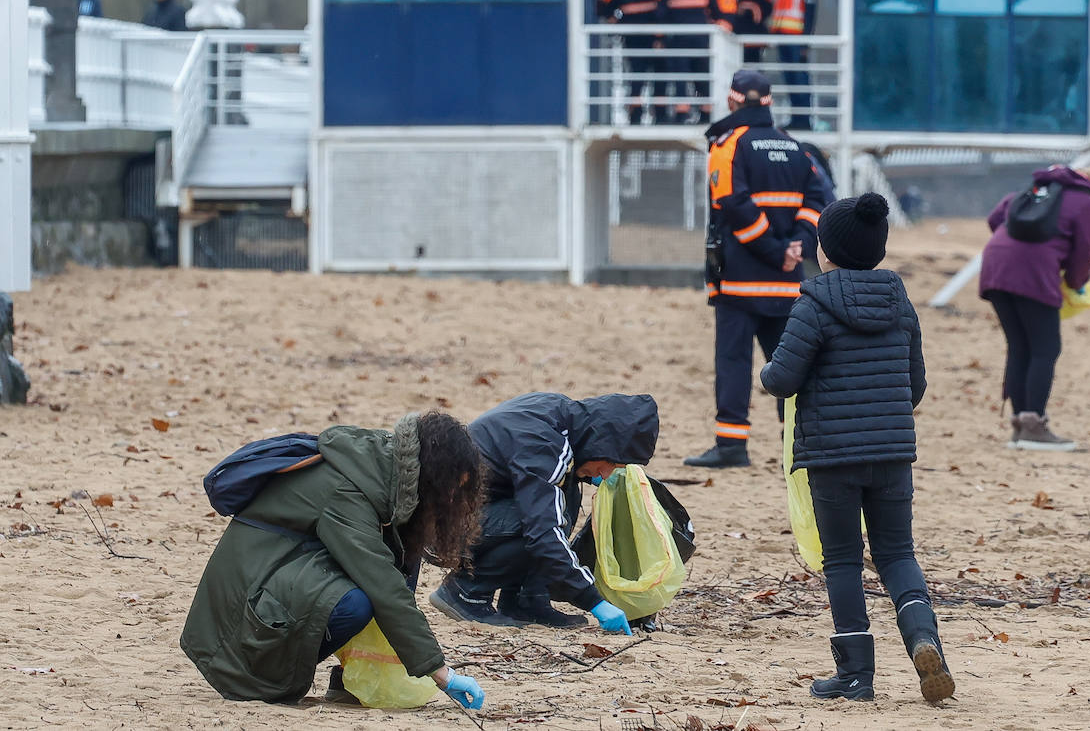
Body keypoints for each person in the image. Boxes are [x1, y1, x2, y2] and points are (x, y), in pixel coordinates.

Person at [758, 192, 952, 704]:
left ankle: (855, 676)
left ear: (825, 250)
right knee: (897, 554)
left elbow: (781, 380)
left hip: (830, 456)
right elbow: (915, 388)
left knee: (842, 560)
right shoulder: (898, 299)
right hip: (891, 454)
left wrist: (763, 372)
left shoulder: (813, 303)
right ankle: (924, 640)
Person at [181, 412, 488, 708]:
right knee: (356, 604)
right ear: (432, 473)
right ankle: (270, 672)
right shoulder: (349, 490)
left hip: (283, 570)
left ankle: (345, 680)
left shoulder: (386, 464)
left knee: (403, 553)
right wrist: (442, 675)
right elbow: (382, 585)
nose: (451, 500)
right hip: (242, 609)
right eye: (450, 489)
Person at [684, 70, 828, 469]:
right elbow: (817, 201)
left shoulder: (727, 144)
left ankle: (732, 445)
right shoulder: (795, 147)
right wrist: (796, 245)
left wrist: (772, 250)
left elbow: (732, 203)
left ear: (732, 101)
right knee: (791, 365)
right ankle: (800, 444)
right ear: (768, 103)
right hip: (786, 284)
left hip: (741, 279)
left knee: (733, 361)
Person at [430, 392, 659, 633]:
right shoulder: (543, 442)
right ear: (602, 443)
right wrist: (595, 601)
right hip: (441, 530)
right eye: (610, 465)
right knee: (541, 521)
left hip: (475, 510)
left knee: (563, 497)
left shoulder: (561, 418)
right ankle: (467, 592)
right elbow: (543, 531)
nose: (606, 475)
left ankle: (526, 600)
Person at [979, 164, 1090, 451]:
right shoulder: (1088, 201)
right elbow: (1082, 255)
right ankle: (1034, 427)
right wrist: (1076, 284)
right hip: (1033, 273)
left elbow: (996, 217)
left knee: (1020, 346)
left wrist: (1014, 245)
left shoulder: (1041, 186)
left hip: (995, 265)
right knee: (1045, 348)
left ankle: (1019, 425)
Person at [659, 0, 728, 124]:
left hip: (679, 41)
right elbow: (717, 12)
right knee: (703, 78)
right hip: (701, 40)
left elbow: (660, 14)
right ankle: (706, 115)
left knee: (681, 77)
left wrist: (662, 37)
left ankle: (682, 114)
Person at [601, 0, 668, 125]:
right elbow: (665, 3)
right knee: (659, 76)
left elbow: (607, 5)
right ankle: (660, 116)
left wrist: (616, 20)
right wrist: (660, 36)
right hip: (653, 38)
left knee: (636, 77)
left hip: (631, 38)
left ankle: (635, 115)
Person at [769, 0, 818, 131]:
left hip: (797, 41)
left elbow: (810, 15)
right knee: (790, 79)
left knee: (800, 79)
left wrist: (806, 43)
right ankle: (796, 118)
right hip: (783, 39)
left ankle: (804, 119)